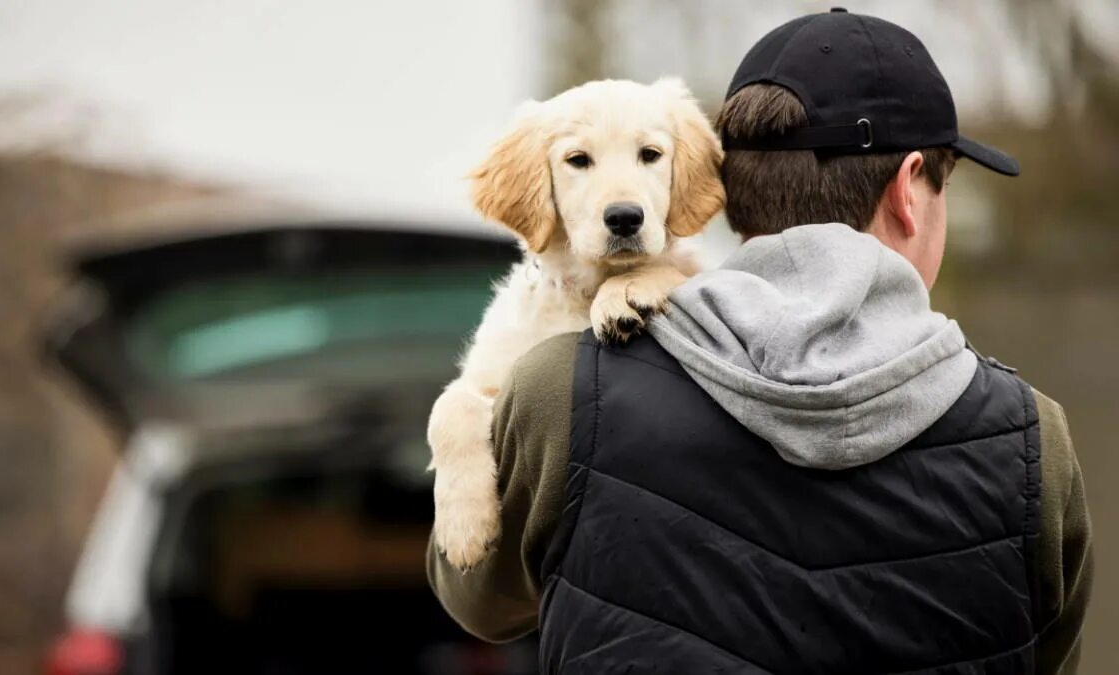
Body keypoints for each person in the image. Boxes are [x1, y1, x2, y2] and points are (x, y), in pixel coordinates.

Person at [427, 8, 1092, 674]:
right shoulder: (1033, 438)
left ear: (726, 192)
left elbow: (481, 600)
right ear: (910, 190)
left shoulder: (559, 391)